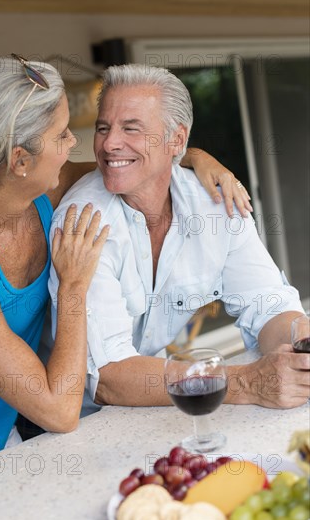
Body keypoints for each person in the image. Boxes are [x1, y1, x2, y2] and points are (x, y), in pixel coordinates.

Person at [0, 55, 248, 470]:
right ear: (19, 161)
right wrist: (72, 287)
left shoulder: (42, 192)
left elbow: (138, 166)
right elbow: (59, 411)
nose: (76, 143)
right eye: (63, 135)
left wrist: (194, 153)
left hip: (2, 437)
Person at [49, 64, 309, 413]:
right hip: (74, 424)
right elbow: (107, 377)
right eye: (103, 128)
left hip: (160, 400)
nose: (110, 144)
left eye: (131, 128)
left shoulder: (216, 204)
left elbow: (267, 305)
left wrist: (300, 345)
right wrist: (246, 381)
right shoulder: (83, 221)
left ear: (176, 139)